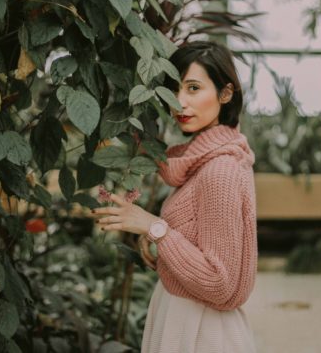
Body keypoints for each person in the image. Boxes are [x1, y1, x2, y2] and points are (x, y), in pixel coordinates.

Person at [91, 40, 258, 353]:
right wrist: (161, 245)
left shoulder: (219, 171)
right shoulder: (202, 160)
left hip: (201, 332)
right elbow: (199, 243)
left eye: (193, 88)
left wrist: (156, 228)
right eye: (174, 89)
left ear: (225, 94)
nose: (180, 102)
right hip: (185, 317)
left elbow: (220, 283)